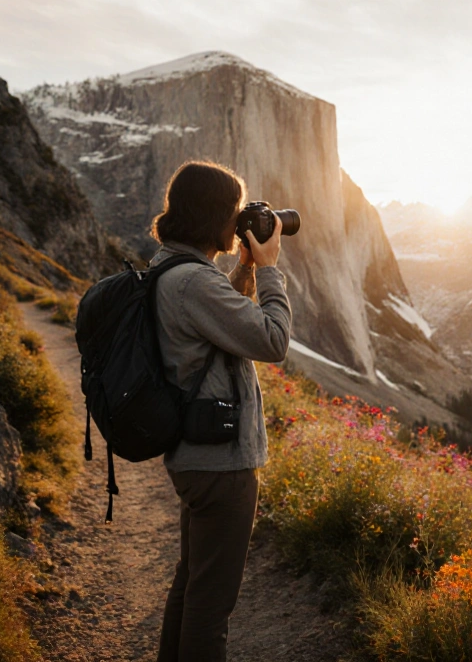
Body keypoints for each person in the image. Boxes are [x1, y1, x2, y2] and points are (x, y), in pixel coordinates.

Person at [146, 160, 291, 661]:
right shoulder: (193, 282)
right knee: (212, 608)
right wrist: (270, 268)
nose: (239, 222)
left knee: (191, 588)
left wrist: (245, 267)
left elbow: (215, 321)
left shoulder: (171, 268)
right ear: (214, 216)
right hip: (221, 464)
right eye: (234, 211)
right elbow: (272, 340)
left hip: (195, 456)